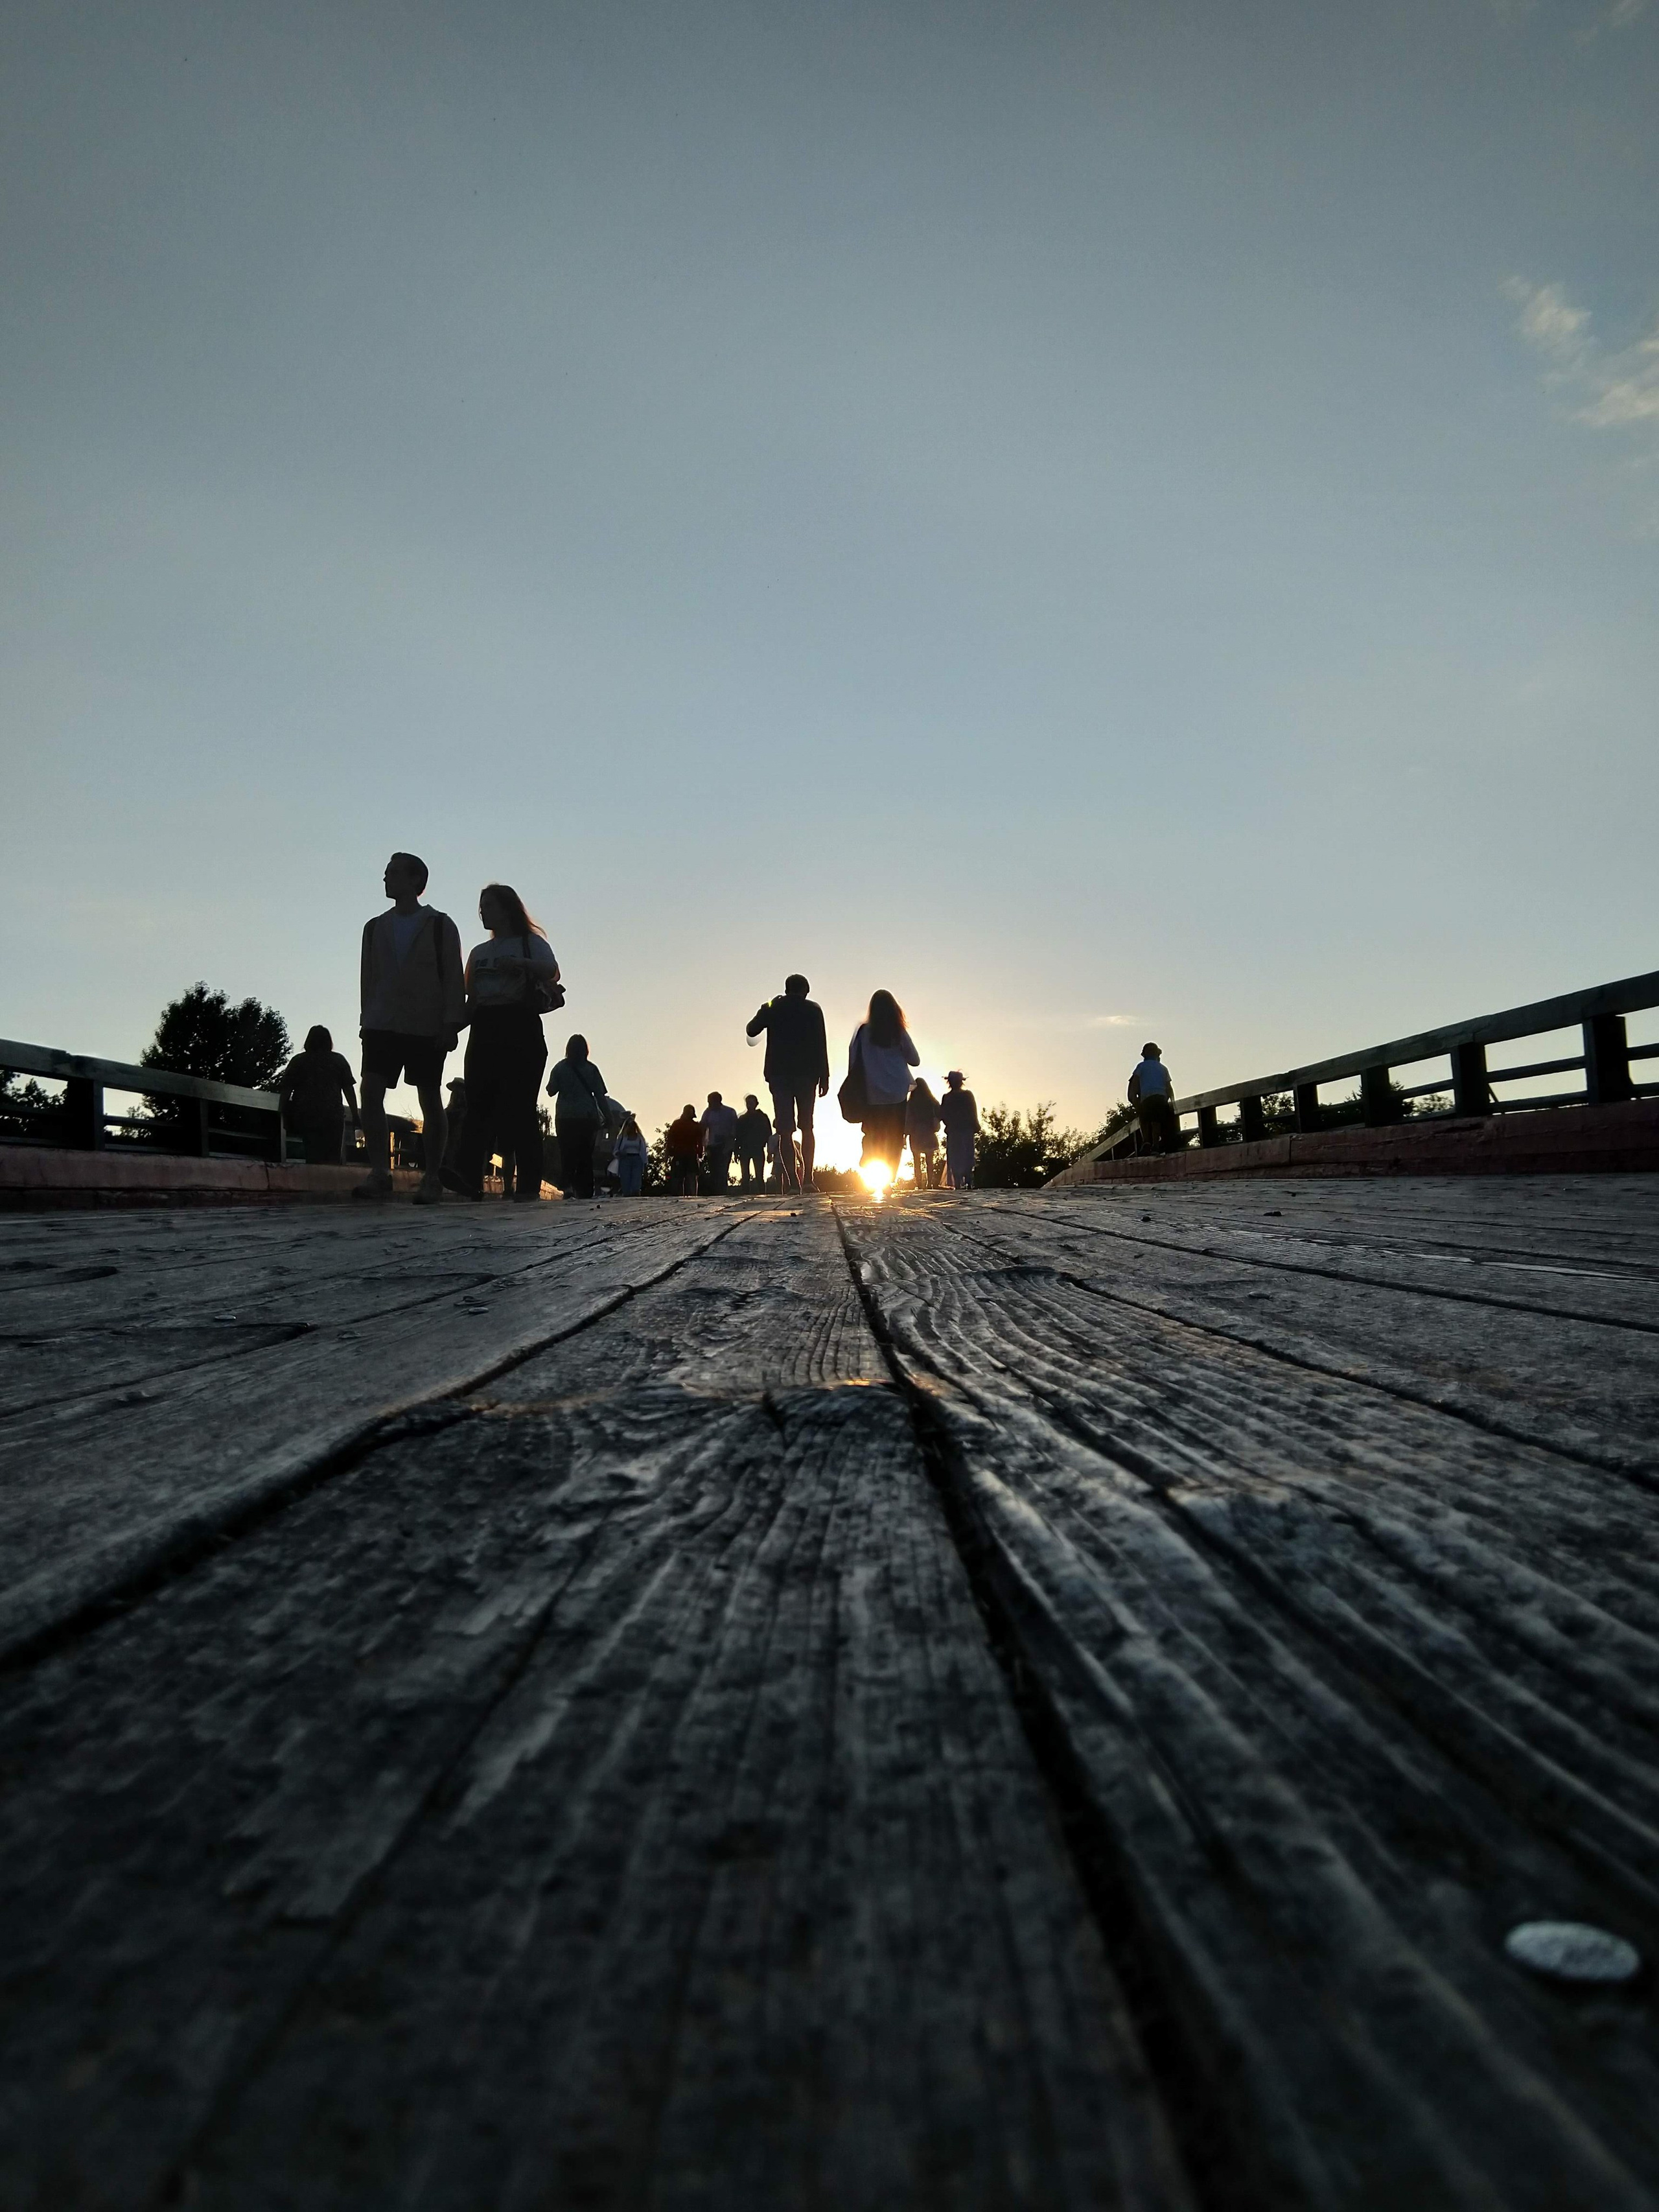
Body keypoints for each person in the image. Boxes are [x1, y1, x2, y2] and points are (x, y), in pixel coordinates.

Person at [437, 884, 559, 1203]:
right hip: (484, 1027)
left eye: (489, 906)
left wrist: (520, 964)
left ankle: (528, 1184)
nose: (483, 913)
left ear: (507, 909)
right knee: (478, 1103)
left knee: (520, 1105)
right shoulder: (479, 953)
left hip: (520, 1023)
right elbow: (472, 1000)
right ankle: (468, 1176)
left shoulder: (531, 943)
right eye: (481, 908)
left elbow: (552, 970)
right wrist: (451, 1030)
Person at [358, 853, 465, 1204]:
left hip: (425, 1025)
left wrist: (451, 1024)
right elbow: (368, 977)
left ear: (415, 880)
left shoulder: (440, 925)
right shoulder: (374, 927)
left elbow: (453, 977)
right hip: (382, 1023)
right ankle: (380, 1172)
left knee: (429, 1097)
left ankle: (431, 1178)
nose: (385, 879)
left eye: (392, 873)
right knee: (371, 1091)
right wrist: (366, 1019)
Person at [745, 973, 830, 1194]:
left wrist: (766, 1008)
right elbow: (821, 1043)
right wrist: (825, 1075)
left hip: (779, 1074)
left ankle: (793, 1183)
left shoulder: (774, 1008)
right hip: (807, 1075)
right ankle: (808, 1180)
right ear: (806, 990)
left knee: (785, 1130)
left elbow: (751, 1030)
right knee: (807, 1127)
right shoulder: (813, 1009)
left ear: (786, 989)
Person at [846, 990, 920, 1181]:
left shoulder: (863, 1032)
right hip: (897, 1092)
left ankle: (870, 1150)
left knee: (874, 1131)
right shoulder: (899, 1032)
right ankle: (889, 1178)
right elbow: (915, 1060)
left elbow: (853, 1060)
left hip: (872, 1092)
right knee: (895, 1137)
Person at [278, 1027, 358, 1166]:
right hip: (333, 1115)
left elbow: (286, 1089)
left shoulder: (299, 1061)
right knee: (333, 1157)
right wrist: (355, 1115)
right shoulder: (338, 1060)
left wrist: (281, 1112)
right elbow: (349, 1090)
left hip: (306, 1114)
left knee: (312, 1154)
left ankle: (313, 1177)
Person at [544, 1035, 609, 1198]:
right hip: (587, 1117)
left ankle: (567, 1187)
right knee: (585, 1155)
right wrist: (608, 1117)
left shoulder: (560, 1068)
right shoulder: (592, 1069)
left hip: (565, 1117)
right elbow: (600, 1096)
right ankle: (585, 1191)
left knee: (567, 1153)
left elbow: (551, 1091)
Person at [1128, 1042, 1180, 1154]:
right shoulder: (1163, 1068)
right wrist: (1171, 1101)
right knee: (1156, 1121)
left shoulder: (1141, 1066)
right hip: (1161, 1096)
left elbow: (1135, 1083)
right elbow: (1169, 1087)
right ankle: (1156, 1145)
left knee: (1144, 1119)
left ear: (1144, 1055)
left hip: (1147, 1096)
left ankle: (1146, 1141)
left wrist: (1135, 1098)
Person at [939, 1071, 980, 1191]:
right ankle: (968, 1180)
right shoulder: (968, 1095)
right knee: (967, 1154)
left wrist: (949, 1123)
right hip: (966, 1129)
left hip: (954, 1131)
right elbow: (973, 1111)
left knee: (955, 1155)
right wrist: (976, 1125)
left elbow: (943, 1115)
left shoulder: (947, 1097)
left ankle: (958, 1182)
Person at [905, 1078, 942, 1191]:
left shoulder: (911, 1103)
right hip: (929, 1132)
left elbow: (907, 1120)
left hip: (915, 1133)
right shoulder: (932, 1102)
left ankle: (919, 1184)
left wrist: (905, 1135)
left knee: (916, 1160)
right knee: (929, 1160)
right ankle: (930, 1183)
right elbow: (940, 1114)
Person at [699, 1091, 739, 1191]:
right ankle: (715, 1193)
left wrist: (731, 1144)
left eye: (710, 1102)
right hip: (712, 1146)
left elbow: (735, 1129)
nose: (709, 1105)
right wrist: (704, 1146)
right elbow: (702, 1127)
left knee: (723, 1171)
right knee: (713, 1172)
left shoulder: (730, 1112)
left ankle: (723, 1192)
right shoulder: (708, 1112)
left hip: (725, 1145)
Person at [735, 1095, 772, 1191]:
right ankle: (745, 1195)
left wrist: (770, 1152)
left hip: (758, 1148)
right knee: (745, 1176)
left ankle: (762, 1194)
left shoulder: (762, 1117)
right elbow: (738, 1136)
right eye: (748, 1103)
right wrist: (736, 1152)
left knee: (759, 1176)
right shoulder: (742, 1119)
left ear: (756, 1104)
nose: (750, 1105)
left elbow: (769, 1135)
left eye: (752, 1103)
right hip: (745, 1149)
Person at [666, 1104, 703, 1195]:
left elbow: (700, 1141)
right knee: (680, 1178)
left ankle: (693, 1196)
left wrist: (700, 1152)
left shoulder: (696, 1126)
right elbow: (670, 1140)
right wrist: (667, 1154)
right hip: (680, 1154)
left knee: (691, 1177)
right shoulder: (677, 1124)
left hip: (691, 1154)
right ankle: (680, 1196)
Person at [613, 1114, 650, 1196]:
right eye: (629, 1125)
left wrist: (645, 1163)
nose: (631, 1127)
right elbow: (616, 1150)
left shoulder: (640, 1138)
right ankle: (626, 1194)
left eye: (633, 1125)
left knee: (636, 1179)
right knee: (625, 1179)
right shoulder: (622, 1137)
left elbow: (643, 1151)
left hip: (637, 1159)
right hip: (625, 1159)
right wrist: (620, 1153)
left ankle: (636, 1194)